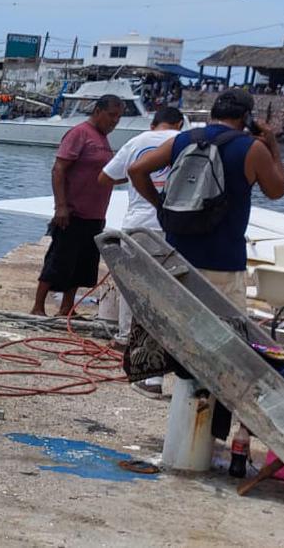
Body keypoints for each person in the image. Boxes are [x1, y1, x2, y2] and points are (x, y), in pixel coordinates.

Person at [128, 88, 284, 311]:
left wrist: (159, 205)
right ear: (247, 118)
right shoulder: (252, 148)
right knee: (225, 332)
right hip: (224, 260)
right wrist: (273, 148)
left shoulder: (183, 140)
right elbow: (276, 191)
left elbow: (136, 170)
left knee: (177, 323)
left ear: (213, 113)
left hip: (178, 254)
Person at [98, 106, 184, 396]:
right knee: (167, 294)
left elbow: (105, 179)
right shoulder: (187, 140)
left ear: (153, 123)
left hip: (138, 225)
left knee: (132, 288)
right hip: (172, 227)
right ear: (179, 123)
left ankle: (127, 340)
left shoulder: (137, 142)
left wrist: (133, 182)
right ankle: (161, 362)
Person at [30, 94, 124, 316]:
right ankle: (38, 307)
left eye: (118, 117)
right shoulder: (80, 133)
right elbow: (59, 169)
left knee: (82, 264)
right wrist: (60, 206)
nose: (114, 121)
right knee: (59, 260)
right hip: (73, 211)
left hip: (95, 213)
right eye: (111, 115)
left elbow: (105, 175)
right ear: (98, 111)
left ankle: (66, 308)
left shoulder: (102, 139)